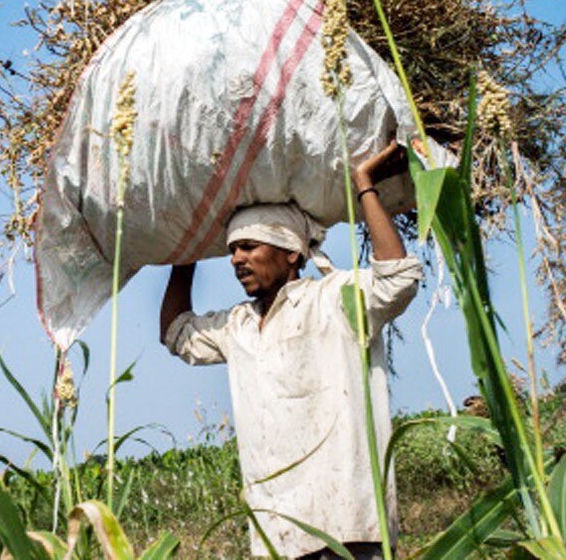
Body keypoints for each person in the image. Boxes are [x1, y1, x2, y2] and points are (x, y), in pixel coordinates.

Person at [159, 142, 422, 559]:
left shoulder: (334, 299)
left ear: (291, 253)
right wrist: (187, 253)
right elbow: (177, 334)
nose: (236, 260)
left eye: (249, 247)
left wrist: (364, 185)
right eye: (230, 250)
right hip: (277, 532)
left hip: (349, 525)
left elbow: (397, 280)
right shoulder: (238, 325)